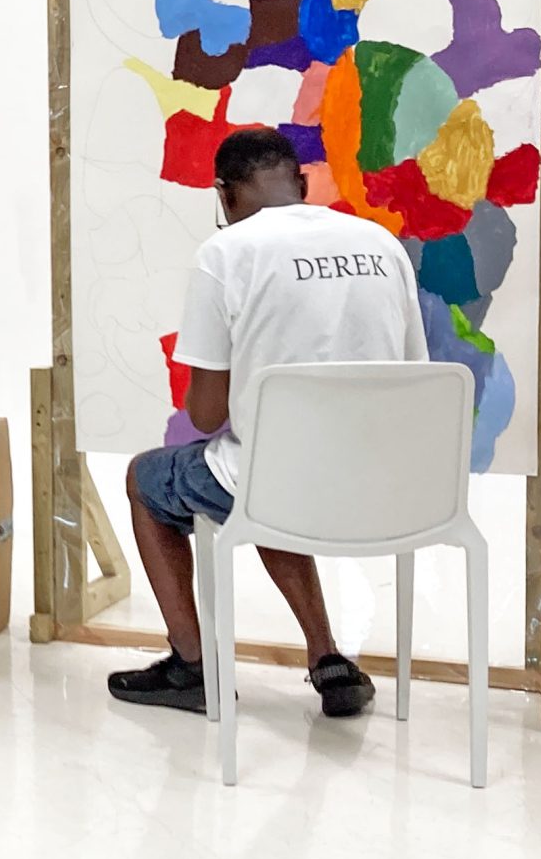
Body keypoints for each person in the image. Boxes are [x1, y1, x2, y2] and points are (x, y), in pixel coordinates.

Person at [107, 126, 428, 718]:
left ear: (225, 197)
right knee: (269, 463)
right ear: (302, 184)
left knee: (153, 477)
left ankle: (193, 664)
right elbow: (415, 374)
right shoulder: (380, 244)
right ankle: (326, 654)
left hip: (282, 486)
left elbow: (205, 415)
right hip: (391, 493)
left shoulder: (225, 254)